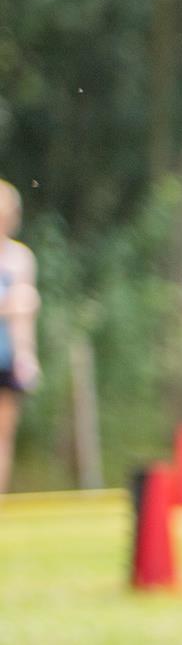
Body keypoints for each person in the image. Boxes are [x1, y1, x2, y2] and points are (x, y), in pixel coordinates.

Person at [0, 179, 41, 495]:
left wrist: (27, 356)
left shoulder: (21, 257)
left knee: (3, 433)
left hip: (5, 355)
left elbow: (24, 319)